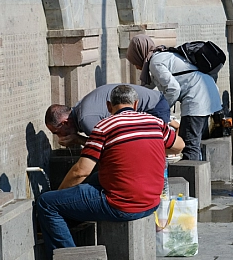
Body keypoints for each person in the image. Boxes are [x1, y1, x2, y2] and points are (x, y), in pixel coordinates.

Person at [37, 85, 184, 259]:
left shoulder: (104, 127)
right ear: (136, 104)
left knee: (47, 203)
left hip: (122, 206)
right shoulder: (155, 122)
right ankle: (70, 220)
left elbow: (80, 171)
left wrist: (61, 194)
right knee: (96, 178)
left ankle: (70, 255)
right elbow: (179, 146)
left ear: (109, 106)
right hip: (152, 203)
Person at [126, 34, 222, 161]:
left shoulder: (155, 62)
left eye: (134, 63)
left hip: (197, 99)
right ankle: (201, 177)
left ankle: (192, 180)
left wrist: (162, 110)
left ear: (139, 54)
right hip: (206, 94)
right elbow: (148, 88)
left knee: (189, 144)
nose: (136, 67)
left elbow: (173, 89)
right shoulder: (161, 55)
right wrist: (129, 99)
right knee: (194, 143)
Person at [44, 84, 172, 147]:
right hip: (155, 101)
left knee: (152, 149)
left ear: (65, 122)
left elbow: (112, 146)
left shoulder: (86, 119)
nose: (59, 137)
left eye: (57, 132)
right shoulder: (81, 110)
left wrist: (78, 139)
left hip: (154, 107)